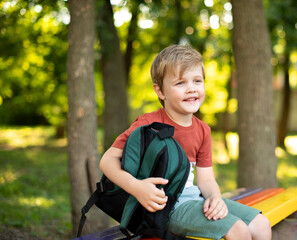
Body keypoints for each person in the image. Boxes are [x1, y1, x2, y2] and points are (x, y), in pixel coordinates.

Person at [99, 45, 271, 240]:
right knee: (238, 230)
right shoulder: (148, 124)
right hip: (168, 207)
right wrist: (137, 188)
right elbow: (107, 161)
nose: (191, 88)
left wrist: (215, 197)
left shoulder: (203, 130)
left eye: (197, 81)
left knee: (261, 224)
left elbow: (206, 180)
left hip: (196, 199)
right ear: (161, 91)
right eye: (180, 83)